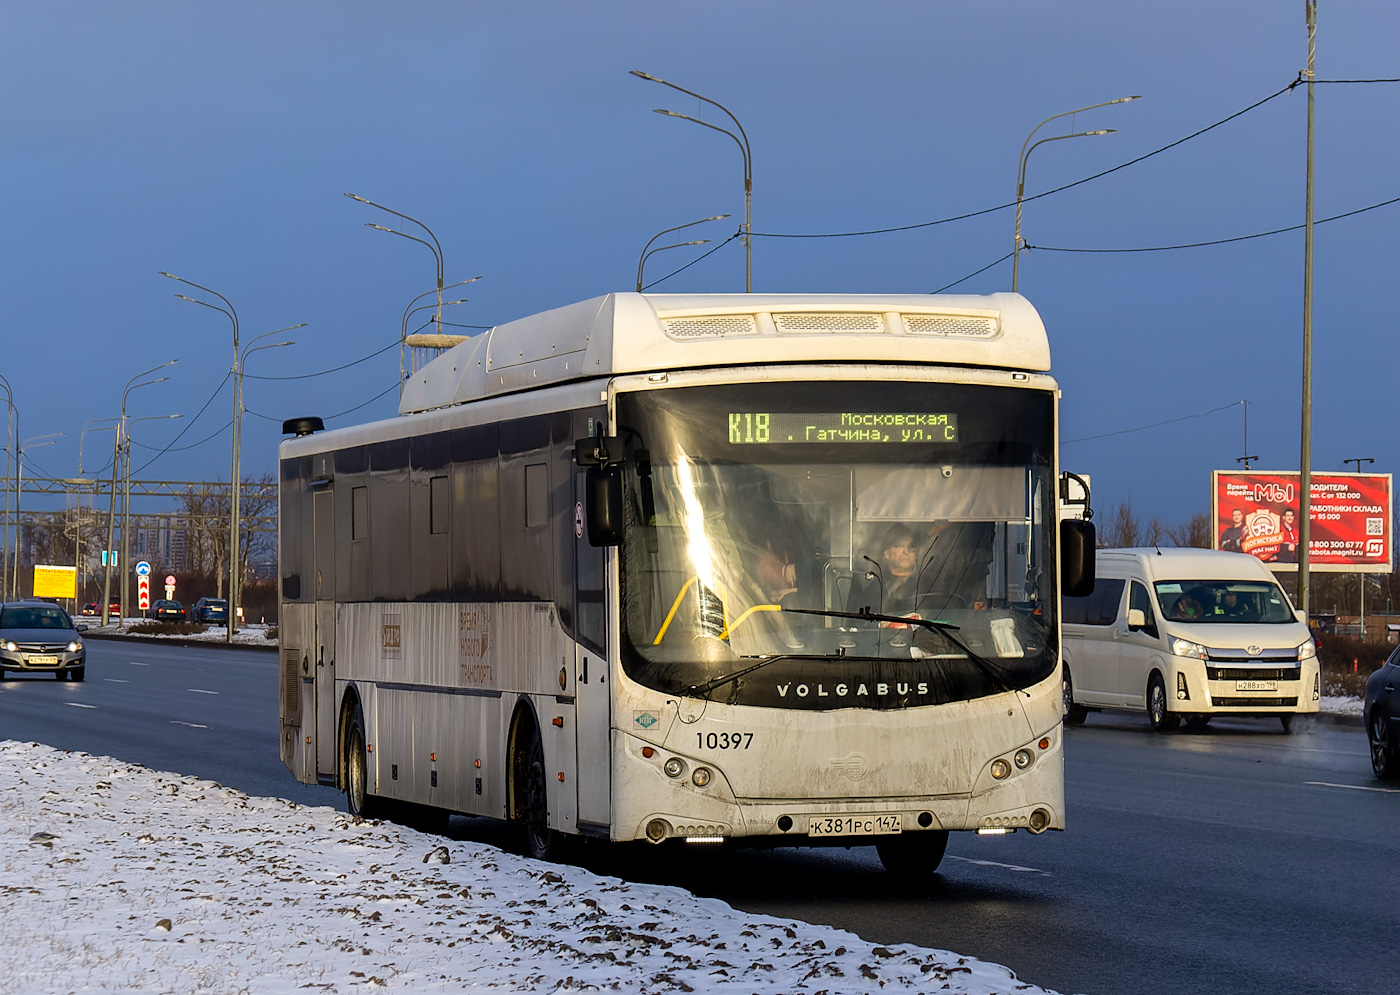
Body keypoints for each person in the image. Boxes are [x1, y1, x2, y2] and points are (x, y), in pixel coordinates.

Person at [848, 524, 922, 618]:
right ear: (886, 554)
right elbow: (857, 622)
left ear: (916, 554)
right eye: (899, 546)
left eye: (910, 547)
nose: (905, 552)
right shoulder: (872, 585)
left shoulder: (928, 583)